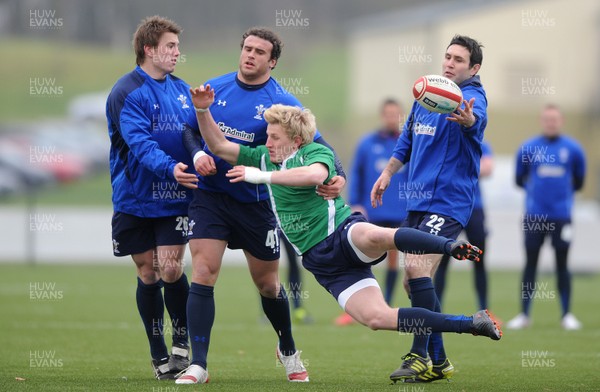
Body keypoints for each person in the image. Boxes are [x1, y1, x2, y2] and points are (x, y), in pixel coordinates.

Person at [187, 97, 501, 381]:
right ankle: (471, 323)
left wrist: (260, 175)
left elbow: (313, 176)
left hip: (341, 232)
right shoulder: (264, 157)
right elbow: (218, 146)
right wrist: (202, 110)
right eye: (267, 136)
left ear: (295, 140)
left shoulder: (314, 151)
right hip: (325, 265)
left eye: (274, 137)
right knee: (377, 318)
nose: (266, 141)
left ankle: (449, 246)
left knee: (375, 234)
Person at [176, 27, 345, 384]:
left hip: (256, 203)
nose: (249, 55)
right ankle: (199, 364)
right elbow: (189, 129)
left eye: (259, 51)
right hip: (211, 197)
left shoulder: (282, 102)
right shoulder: (214, 88)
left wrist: (339, 174)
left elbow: (318, 143)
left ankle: (287, 349)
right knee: (204, 271)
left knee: (268, 285)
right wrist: (195, 154)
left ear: (273, 61)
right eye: (246, 48)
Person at [371, 34, 488, 383]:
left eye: (458, 60)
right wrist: (387, 173)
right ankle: (440, 360)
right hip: (418, 201)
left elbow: (475, 120)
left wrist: (468, 121)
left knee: (417, 269)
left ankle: (418, 356)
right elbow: (406, 140)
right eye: (448, 57)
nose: (449, 63)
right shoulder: (428, 94)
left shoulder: (472, 97)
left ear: (474, 68)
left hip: (449, 202)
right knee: (415, 283)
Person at [105, 15, 200, 380]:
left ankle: (180, 343)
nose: (177, 53)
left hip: (174, 198)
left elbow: (196, 135)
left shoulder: (182, 90)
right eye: (170, 47)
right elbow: (140, 144)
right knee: (148, 272)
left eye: (178, 46)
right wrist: (169, 167)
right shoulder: (125, 92)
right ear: (149, 50)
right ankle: (158, 353)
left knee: (172, 267)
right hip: (133, 198)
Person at [507, 104, 586, 331]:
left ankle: (567, 315)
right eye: (547, 119)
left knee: (563, 263)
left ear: (560, 121)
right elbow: (519, 179)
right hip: (534, 216)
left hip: (562, 216)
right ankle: (524, 314)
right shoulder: (528, 148)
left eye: (555, 119)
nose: (551, 123)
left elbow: (579, 180)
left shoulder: (573, 149)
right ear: (543, 121)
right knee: (530, 263)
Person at [335, 98, 408, 326]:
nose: (391, 118)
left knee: (394, 261)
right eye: (388, 114)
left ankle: (384, 304)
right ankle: (358, 307)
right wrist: (356, 203)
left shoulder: (407, 145)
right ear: (381, 115)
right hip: (373, 210)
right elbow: (355, 174)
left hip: (400, 211)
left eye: (396, 114)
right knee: (364, 258)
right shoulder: (367, 143)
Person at [435, 140, 493, 311]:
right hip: (447, 208)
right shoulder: (445, 142)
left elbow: (488, 168)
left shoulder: (478, 142)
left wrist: (458, 168)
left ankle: (485, 311)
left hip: (474, 209)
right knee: (441, 261)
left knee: (479, 260)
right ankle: (435, 310)